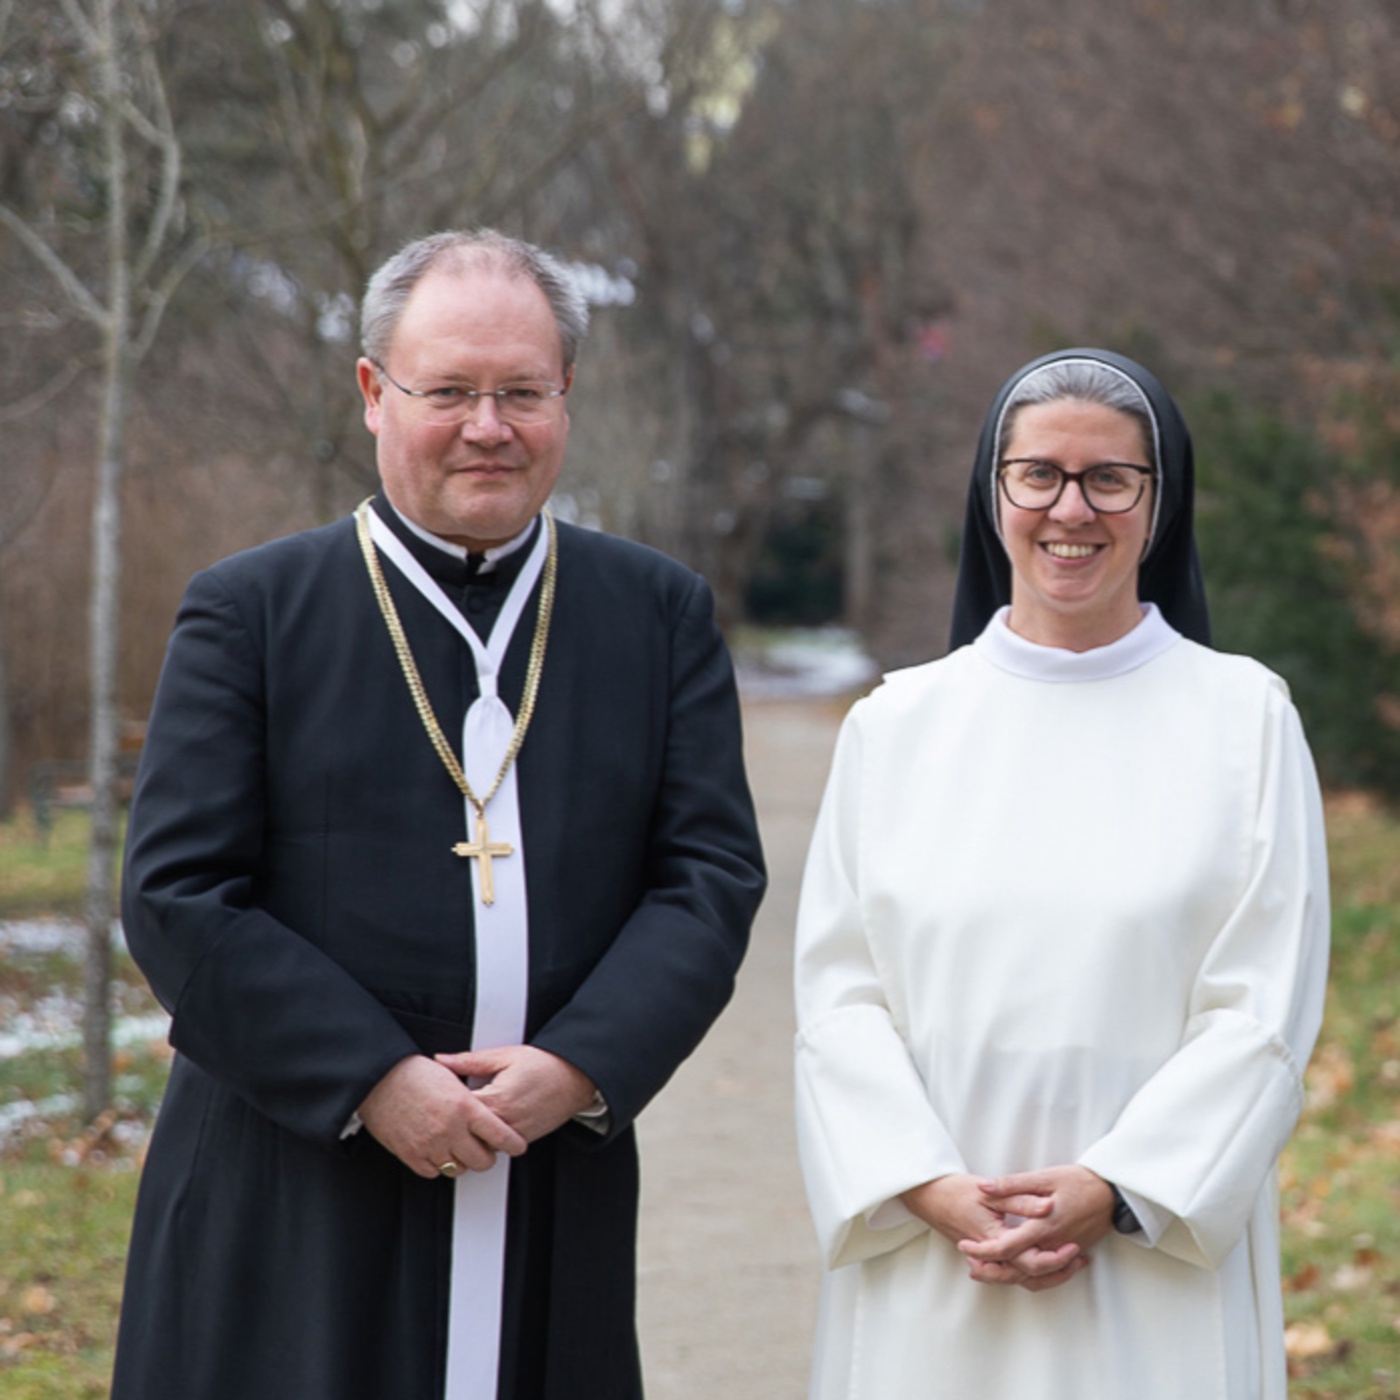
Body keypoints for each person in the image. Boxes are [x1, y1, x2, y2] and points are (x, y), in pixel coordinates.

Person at [113, 228, 766, 1400]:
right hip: (293, 1175)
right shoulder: (251, 611)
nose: (488, 425)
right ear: (374, 392)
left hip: (546, 1161)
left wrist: (577, 1061)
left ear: (565, 394)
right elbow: (177, 895)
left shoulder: (653, 614)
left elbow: (706, 877)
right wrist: (373, 1077)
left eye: (522, 390)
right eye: (449, 390)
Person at [793, 348, 1328, 1399]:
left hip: (1149, 1259)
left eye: (1107, 478)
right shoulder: (895, 726)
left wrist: (1115, 1186)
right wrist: (931, 1185)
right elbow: (836, 997)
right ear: (992, 493)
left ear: (1157, 500)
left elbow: (1263, 1003)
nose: (1067, 507)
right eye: (1035, 473)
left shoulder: (1242, 719)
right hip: (935, 1252)